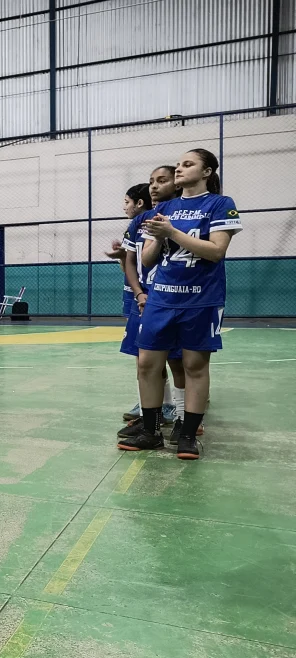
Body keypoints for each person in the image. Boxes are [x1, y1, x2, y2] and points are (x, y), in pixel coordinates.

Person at [120, 149, 240, 460]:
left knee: (194, 366)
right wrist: (159, 237)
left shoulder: (220, 204)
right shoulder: (164, 208)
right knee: (147, 364)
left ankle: (187, 435)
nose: (179, 169)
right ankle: (151, 431)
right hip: (162, 297)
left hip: (201, 298)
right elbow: (147, 259)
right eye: (178, 165)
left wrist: (172, 231)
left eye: (188, 164)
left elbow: (216, 251)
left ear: (207, 172)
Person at [112, 172, 182, 429]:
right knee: (145, 358)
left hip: (171, 296)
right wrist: (139, 293)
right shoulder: (139, 224)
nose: (155, 187)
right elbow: (132, 263)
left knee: (178, 359)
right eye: (152, 181)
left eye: (161, 181)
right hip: (142, 295)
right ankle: (152, 410)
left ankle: (182, 412)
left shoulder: (183, 219)